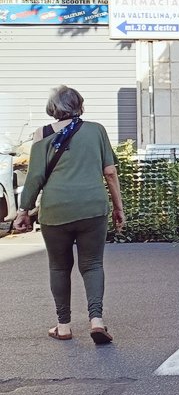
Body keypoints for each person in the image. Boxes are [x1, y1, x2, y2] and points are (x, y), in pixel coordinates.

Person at [13, 86, 125, 345]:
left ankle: (63, 326)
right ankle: (96, 320)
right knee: (93, 264)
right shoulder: (96, 130)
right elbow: (110, 172)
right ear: (79, 105)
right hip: (92, 208)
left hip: (56, 210)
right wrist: (118, 208)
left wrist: (23, 211)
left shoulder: (41, 135)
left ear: (52, 108)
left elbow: (35, 177)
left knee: (59, 266)